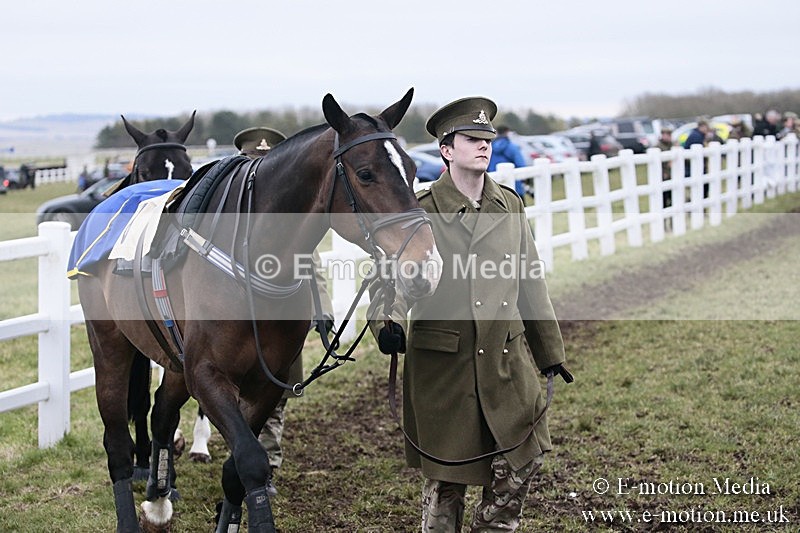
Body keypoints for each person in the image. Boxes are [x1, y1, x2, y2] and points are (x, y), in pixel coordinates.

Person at [370, 96, 571, 532]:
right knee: (445, 492)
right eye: (471, 139)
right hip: (445, 370)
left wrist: (549, 353)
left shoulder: (510, 205)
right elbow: (389, 282)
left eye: (487, 139)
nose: (484, 145)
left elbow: (530, 281)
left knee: (520, 467)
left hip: (506, 364)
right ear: (446, 150)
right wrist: (388, 322)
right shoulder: (420, 210)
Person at [233, 127, 336, 497]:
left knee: (274, 397)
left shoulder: (293, 220)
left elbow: (312, 263)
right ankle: (240, 460)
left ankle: (266, 468)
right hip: (235, 327)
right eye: (253, 162)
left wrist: (323, 310)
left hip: (280, 325)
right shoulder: (229, 214)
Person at [487, 125, 528, 197]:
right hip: (515, 187)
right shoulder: (512, 147)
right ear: (507, 132)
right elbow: (521, 164)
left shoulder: (489, 147)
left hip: (494, 186)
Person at [657, 127, 674, 209]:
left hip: (671, 174)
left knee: (672, 196)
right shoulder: (658, 146)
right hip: (663, 174)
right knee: (664, 197)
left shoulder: (672, 145)